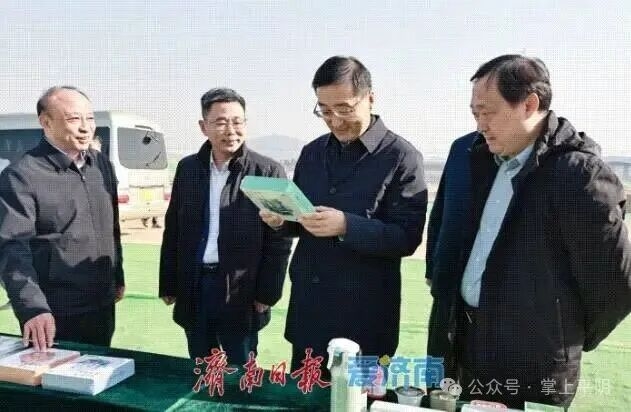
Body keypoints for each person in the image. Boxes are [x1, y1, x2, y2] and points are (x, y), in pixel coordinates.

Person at [445, 54, 631, 408]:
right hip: (472, 344)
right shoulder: (486, 160)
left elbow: (615, 283)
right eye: (474, 114)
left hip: (533, 363)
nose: (480, 125)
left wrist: (562, 334)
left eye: (487, 112)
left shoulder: (580, 175)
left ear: (529, 104)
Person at [260, 56, 427, 371]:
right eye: (324, 111)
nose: (335, 121)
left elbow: (407, 237)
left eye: (345, 109)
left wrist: (347, 225)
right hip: (310, 310)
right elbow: (303, 218)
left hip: (364, 318)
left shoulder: (402, 157)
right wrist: (281, 220)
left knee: (357, 396)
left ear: (370, 98)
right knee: (304, 394)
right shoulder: (312, 152)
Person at [159, 88, 292, 363]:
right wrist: (169, 282)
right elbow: (174, 228)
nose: (231, 130)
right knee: (201, 362)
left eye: (237, 121)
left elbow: (279, 239)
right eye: (220, 122)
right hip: (196, 282)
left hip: (242, 288)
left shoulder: (267, 171)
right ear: (203, 127)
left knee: (240, 366)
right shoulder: (188, 169)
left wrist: (268, 292)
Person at [0, 86, 125, 351]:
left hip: (102, 304)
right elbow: (11, 248)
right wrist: (32, 308)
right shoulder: (21, 176)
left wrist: (118, 276)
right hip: (54, 311)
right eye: (74, 119)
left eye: (90, 118)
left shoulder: (101, 164)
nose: (85, 127)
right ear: (46, 122)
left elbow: (111, 227)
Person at [424, 131, 476, 391]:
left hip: (491, 293)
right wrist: (432, 266)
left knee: (477, 387)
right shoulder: (462, 147)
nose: (482, 120)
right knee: (439, 372)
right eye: (476, 113)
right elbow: (441, 209)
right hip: (447, 279)